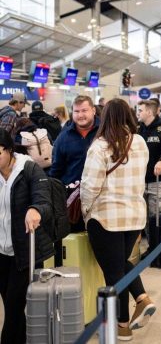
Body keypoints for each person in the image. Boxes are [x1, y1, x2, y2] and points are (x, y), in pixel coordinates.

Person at [80, 99, 155, 341]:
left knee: (113, 274)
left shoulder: (100, 147)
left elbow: (89, 187)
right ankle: (141, 299)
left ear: (105, 117)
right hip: (134, 215)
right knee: (120, 263)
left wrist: (85, 213)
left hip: (106, 218)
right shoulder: (140, 142)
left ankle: (122, 326)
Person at [0, 129, 53, 344]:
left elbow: (44, 201)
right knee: (11, 307)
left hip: (25, 251)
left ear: (10, 150)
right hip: (1, 252)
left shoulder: (29, 169)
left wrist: (35, 210)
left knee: (13, 308)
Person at [49, 95, 99, 233]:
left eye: (84, 110)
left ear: (93, 110)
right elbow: (56, 170)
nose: (80, 115)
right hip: (74, 200)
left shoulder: (105, 131)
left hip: (101, 198)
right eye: (77, 111)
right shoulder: (63, 137)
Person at [137, 100, 161, 244]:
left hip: (157, 182)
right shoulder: (138, 130)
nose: (138, 113)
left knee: (157, 216)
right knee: (144, 217)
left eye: (140, 110)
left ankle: (159, 248)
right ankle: (151, 246)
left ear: (149, 112)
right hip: (140, 181)